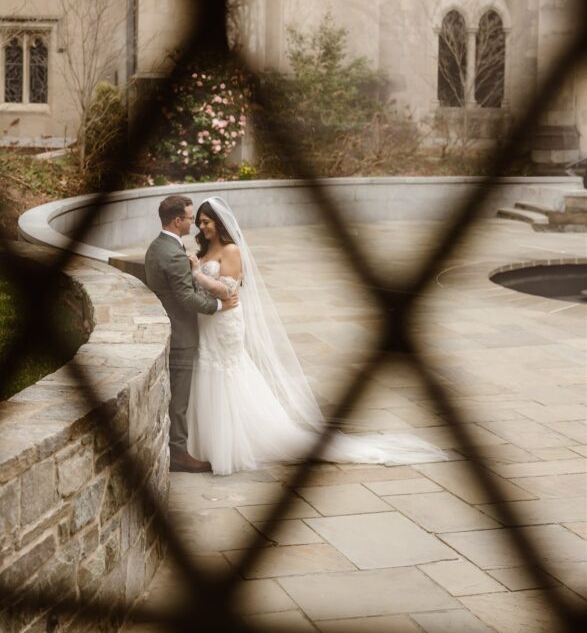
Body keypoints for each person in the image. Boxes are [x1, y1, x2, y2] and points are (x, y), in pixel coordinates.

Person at [185, 196, 448, 476]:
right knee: (208, 373)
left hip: (225, 324)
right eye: (199, 222)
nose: (201, 227)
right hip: (208, 320)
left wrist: (197, 274)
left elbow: (228, 291)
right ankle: (206, 444)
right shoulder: (204, 250)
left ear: (220, 222)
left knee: (224, 373)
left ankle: (230, 446)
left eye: (206, 222)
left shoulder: (231, 250)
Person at [144, 194, 239, 473]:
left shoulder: (159, 246)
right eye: (189, 218)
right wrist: (220, 305)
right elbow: (186, 297)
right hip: (182, 332)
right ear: (177, 221)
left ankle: (185, 446)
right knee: (180, 399)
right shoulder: (172, 252)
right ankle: (178, 454)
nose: (194, 224)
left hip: (196, 329)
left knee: (185, 394)